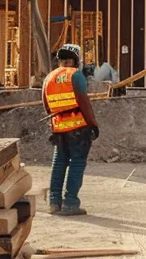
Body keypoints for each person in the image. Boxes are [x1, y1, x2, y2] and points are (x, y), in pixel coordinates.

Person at [43, 44, 98, 215]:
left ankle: (54, 202)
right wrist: (93, 124)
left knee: (59, 162)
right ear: (75, 60)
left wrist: (56, 125)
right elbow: (84, 103)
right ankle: (71, 203)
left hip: (59, 128)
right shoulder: (76, 75)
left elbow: (46, 105)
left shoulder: (49, 78)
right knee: (77, 162)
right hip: (78, 128)